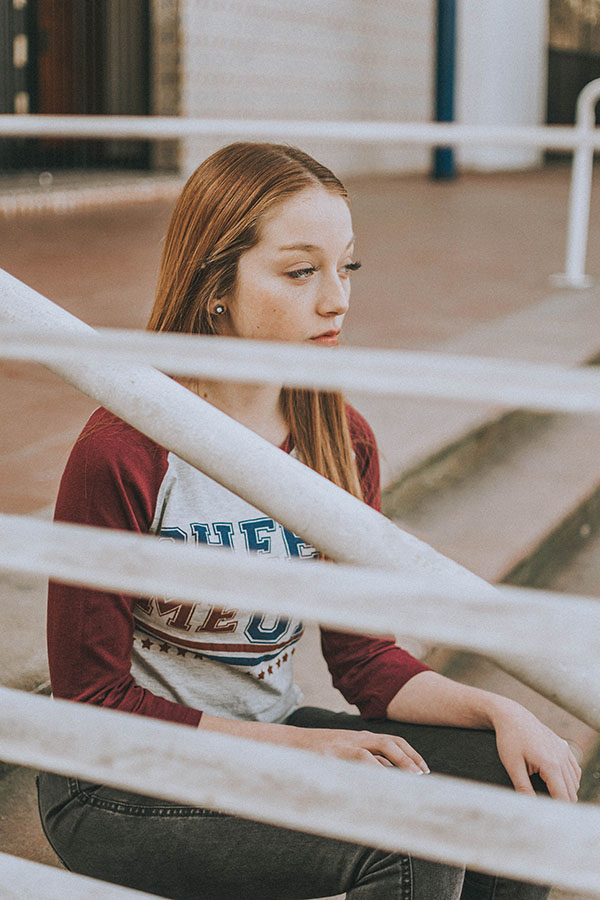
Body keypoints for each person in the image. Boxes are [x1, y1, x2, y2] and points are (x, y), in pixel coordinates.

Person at [38, 142, 581, 900]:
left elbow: (363, 661)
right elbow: (93, 702)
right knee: (411, 841)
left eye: (346, 267)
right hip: (118, 781)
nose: (337, 300)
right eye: (301, 271)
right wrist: (294, 753)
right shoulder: (126, 449)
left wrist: (499, 710)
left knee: (518, 791)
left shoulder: (338, 438)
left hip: (273, 736)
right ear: (215, 283)